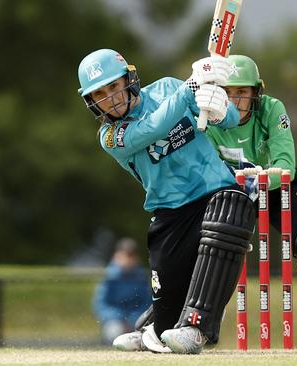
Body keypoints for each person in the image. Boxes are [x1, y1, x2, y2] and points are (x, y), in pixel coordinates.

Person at [77, 49, 256, 354]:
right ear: (91, 100)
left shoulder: (167, 88)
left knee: (232, 210)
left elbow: (229, 120)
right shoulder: (110, 136)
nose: (111, 98)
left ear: (128, 80)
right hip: (170, 214)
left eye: (113, 86)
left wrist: (217, 108)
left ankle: (198, 327)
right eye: (100, 94)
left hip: (215, 192)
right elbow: (152, 128)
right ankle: (154, 327)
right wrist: (191, 89)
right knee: (165, 326)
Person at [205, 55, 297, 349]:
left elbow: (285, 163)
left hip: (276, 186)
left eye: (242, 92)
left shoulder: (273, 110)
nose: (234, 100)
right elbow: (208, 169)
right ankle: (195, 323)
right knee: (208, 239)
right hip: (231, 188)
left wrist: (258, 180)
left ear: (256, 93)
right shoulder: (208, 117)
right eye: (228, 92)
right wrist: (239, 182)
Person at [92, 238, 151, 345]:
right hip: (115, 322)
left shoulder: (141, 277)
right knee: (115, 332)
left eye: (131, 256)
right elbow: (101, 305)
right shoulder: (109, 277)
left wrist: (134, 320)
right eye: (125, 255)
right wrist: (120, 319)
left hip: (136, 322)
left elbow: (147, 304)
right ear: (117, 255)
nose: (128, 260)